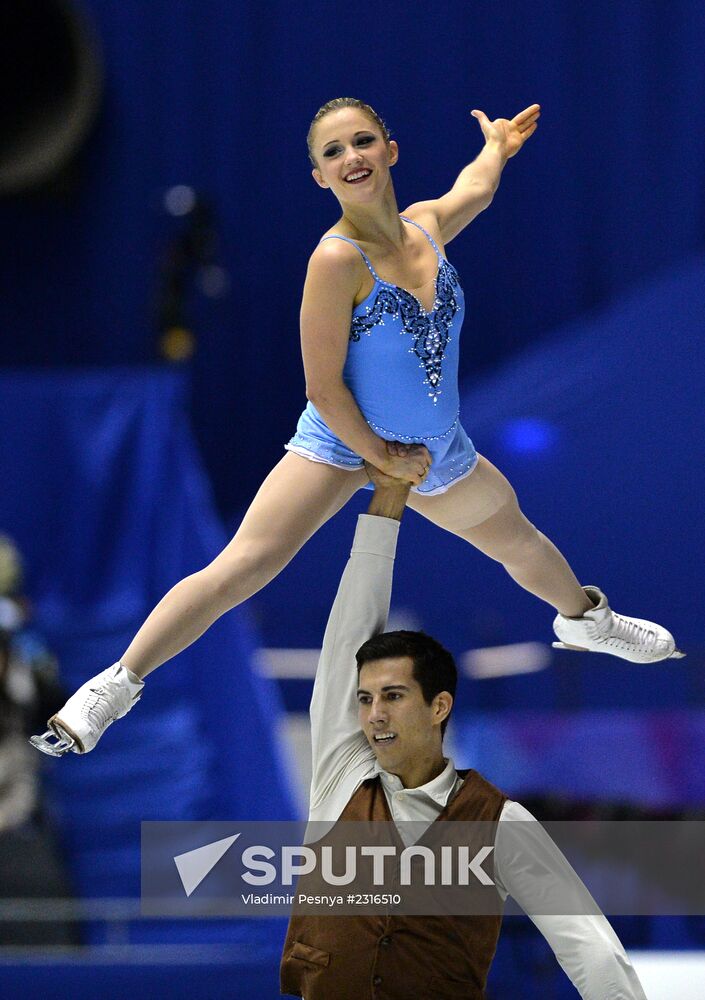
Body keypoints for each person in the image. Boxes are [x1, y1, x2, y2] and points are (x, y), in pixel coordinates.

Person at [31, 97, 681, 756]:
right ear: (319, 177)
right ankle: (113, 685)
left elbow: (475, 191)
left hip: (434, 447)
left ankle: (586, 622)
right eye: (332, 153)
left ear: (390, 151)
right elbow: (322, 384)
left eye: (362, 141)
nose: (351, 158)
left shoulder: (426, 226)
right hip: (340, 439)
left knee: (520, 541)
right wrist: (380, 456)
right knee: (244, 565)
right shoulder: (334, 261)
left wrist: (496, 147)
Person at [280, 461, 647, 1000]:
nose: (374, 713)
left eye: (394, 696)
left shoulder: (501, 822)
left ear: (439, 706)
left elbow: (586, 943)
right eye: (365, 700)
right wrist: (386, 499)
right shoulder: (342, 774)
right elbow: (349, 630)